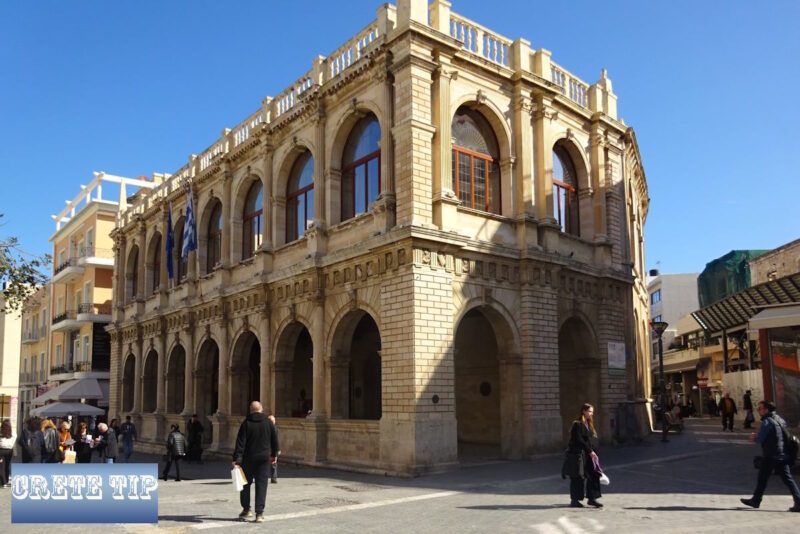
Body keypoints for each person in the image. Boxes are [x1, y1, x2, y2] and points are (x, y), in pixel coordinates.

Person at [740, 400, 800, 512]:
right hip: (782, 454)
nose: (759, 410)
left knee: (762, 478)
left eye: (760, 408)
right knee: (788, 479)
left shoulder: (767, 421)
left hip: (771, 455)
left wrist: (754, 437)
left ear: (766, 410)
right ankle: (799, 502)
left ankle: (756, 500)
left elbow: (760, 439)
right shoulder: (779, 419)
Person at [233, 401, 279, 523]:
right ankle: (259, 513)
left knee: (245, 484)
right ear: (261, 409)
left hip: (248, 459)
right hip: (264, 459)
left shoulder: (246, 423)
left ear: (250, 409)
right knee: (261, 485)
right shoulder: (268, 423)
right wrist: (274, 455)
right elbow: (274, 440)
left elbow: (240, 443)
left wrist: (237, 459)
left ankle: (246, 509)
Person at [566, 403, 603, 508]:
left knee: (594, 474)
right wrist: (590, 450)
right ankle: (575, 500)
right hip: (579, 454)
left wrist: (594, 452)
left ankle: (592, 498)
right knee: (578, 476)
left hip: (589, 454)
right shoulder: (577, 424)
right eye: (590, 411)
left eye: (592, 412)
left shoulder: (589, 424)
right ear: (584, 411)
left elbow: (590, 440)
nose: (591, 414)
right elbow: (578, 439)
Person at [0, 420, 16, 488]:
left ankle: (4, 482)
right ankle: (6, 480)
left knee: (1, 467)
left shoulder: (1, 434)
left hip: (1, 451)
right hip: (10, 451)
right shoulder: (14, 434)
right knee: (7, 465)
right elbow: (14, 443)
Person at [268, 415, 281, 483]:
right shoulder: (274, 429)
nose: (273, 422)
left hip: (270, 449)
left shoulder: (275, 429)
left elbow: (276, 441)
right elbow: (276, 441)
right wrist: (277, 449)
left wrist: (277, 449)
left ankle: (273, 478)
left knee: (273, 463)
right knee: (273, 463)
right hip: (269, 449)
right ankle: (273, 478)